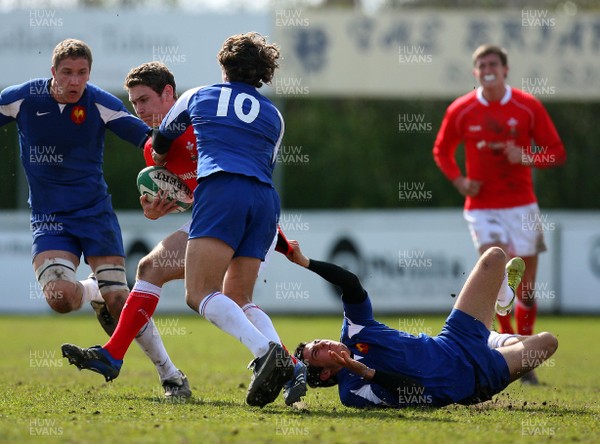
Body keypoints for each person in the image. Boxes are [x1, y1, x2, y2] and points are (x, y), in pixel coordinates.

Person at [61, 61, 305, 405]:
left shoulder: (199, 120)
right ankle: (292, 368)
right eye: (134, 103)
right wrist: (157, 209)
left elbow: (235, 178)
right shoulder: (152, 151)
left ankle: (114, 354)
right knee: (186, 280)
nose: (140, 110)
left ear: (169, 94)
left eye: (145, 99)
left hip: (234, 213)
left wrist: (279, 239)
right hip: (231, 213)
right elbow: (195, 193)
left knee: (165, 276)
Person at [0, 39, 184, 398]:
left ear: (89, 73)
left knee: (120, 303)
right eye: (67, 73)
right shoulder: (21, 99)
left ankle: (171, 375)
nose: (74, 81)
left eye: (82, 73)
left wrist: (177, 184)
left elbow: (151, 145)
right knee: (60, 299)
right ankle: (92, 289)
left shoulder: (99, 103)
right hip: (50, 218)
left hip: (95, 214)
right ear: (53, 72)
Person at [148, 32, 307, 408]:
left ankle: (268, 353)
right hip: (265, 200)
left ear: (224, 66)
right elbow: (264, 163)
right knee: (239, 296)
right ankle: (292, 366)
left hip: (222, 190)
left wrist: (158, 167)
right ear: (263, 73)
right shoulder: (275, 115)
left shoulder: (197, 94)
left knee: (198, 292)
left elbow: (161, 141)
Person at [432, 44, 566, 384]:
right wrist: (460, 180)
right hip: (482, 208)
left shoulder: (527, 106)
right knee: (498, 274)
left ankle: (527, 353)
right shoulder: (461, 109)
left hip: (523, 205)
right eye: (480, 65)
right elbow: (442, 150)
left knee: (526, 289)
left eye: (493, 63)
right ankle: (510, 352)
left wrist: (526, 156)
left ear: (505, 70)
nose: (487, 68)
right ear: (475, 72)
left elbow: (557, 153)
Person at [288, 240, 558, 408]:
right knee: (547, 341)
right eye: (316, 352)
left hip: (454, 338)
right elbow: (414, 394)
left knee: (496, 257)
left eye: (316, 342)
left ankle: (502, 305)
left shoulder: (354, 329)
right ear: (324, 374)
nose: (321, 343)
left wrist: (305, 262)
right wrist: (366, 372)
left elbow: (350, 283)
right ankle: (493, 339)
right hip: (474, 379)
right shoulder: (352, 392)